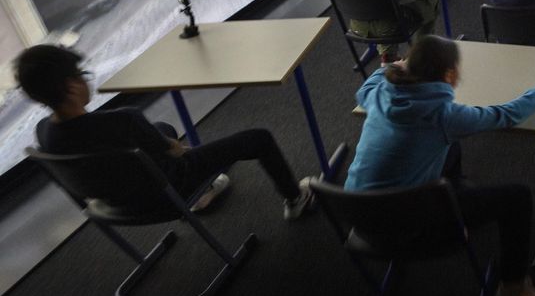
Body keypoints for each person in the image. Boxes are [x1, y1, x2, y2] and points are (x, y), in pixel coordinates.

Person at [346, 35, 535, 296]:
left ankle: (455, 198)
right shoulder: (444, 116)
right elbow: (506, 115)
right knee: (517, 197)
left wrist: (390, 67)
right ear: (449, 75)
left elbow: (366, 87)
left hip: (357, 214)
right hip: (406, 225)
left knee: (449, 148)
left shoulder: (380, 94)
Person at [17, 45, 317, 220]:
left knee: (160, 130)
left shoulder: (44, 134)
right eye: (81, 76)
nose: (86, 81)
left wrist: (162, 144)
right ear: (71, 88)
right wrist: (172, 148)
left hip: (116, 204)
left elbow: (149, 143)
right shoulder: (123, 120)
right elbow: (173, 152)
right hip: (166, 192)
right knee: (258, 138)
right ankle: (296, 199)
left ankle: (207, 193)